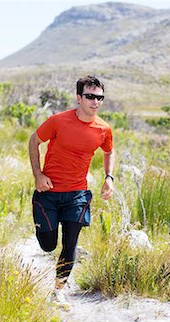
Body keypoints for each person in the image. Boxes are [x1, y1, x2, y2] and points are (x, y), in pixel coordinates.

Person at [28, 75, 114, 305]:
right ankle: (43, 229)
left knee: (70, 243)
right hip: (48, 192)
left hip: (77, 194)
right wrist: (38, 174)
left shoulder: (104, 129)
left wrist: (109, 177)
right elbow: (33, 141)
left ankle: (59, 290)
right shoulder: (58, 121)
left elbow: (108, 151)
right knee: (48, 244)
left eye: (99, 98)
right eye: (90, 97)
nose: (95, 102)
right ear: (79, 98)